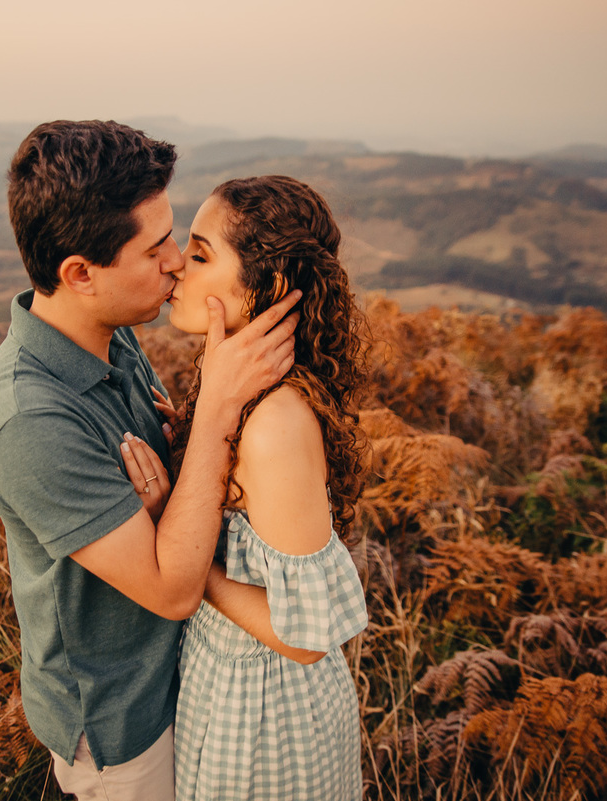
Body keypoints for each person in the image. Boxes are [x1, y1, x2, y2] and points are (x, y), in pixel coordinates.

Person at [0, 120, 300, 801]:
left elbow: (174, 504)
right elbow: (171, 589)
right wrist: (216, 412)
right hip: (124, 727)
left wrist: (176, 472)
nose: (176, 262)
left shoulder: (112, 338)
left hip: (184, 678)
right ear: (81, 274)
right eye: (155, 249)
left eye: (173, 237)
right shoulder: (28, 419)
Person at [162, 175, 370, 800]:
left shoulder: (275, 423)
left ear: (269, 287)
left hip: (267, 717)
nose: (176, 265)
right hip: (229, 689)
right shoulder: (241, 398)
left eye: (201, 255)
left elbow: (304, 640)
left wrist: (188, 565)